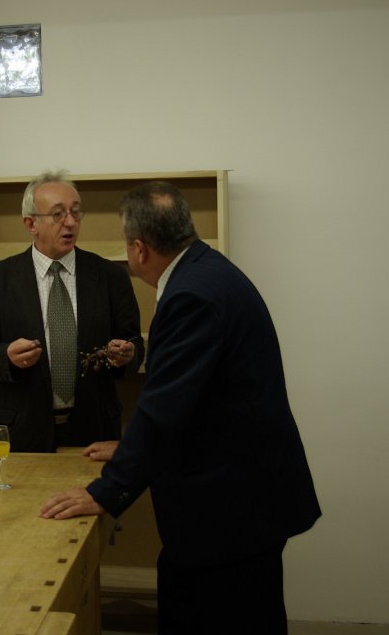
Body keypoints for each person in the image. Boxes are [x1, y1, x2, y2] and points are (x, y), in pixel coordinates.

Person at [40, 181, 321, 634]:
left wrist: (105, 492)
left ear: (139, 248)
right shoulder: (207, 272)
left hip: (230, 513)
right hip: (242, 501)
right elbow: (196, 402)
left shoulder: (191, 295)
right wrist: (130, 449)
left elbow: (164, 408)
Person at [0, 172, 145, 453]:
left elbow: (134, 345)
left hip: (94, 429)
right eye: (58, 214)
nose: (70, 222)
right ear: (31, 224)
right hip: (22, 430)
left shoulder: (110, 276)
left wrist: (127, 355)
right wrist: (6, 356)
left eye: (75, 212)